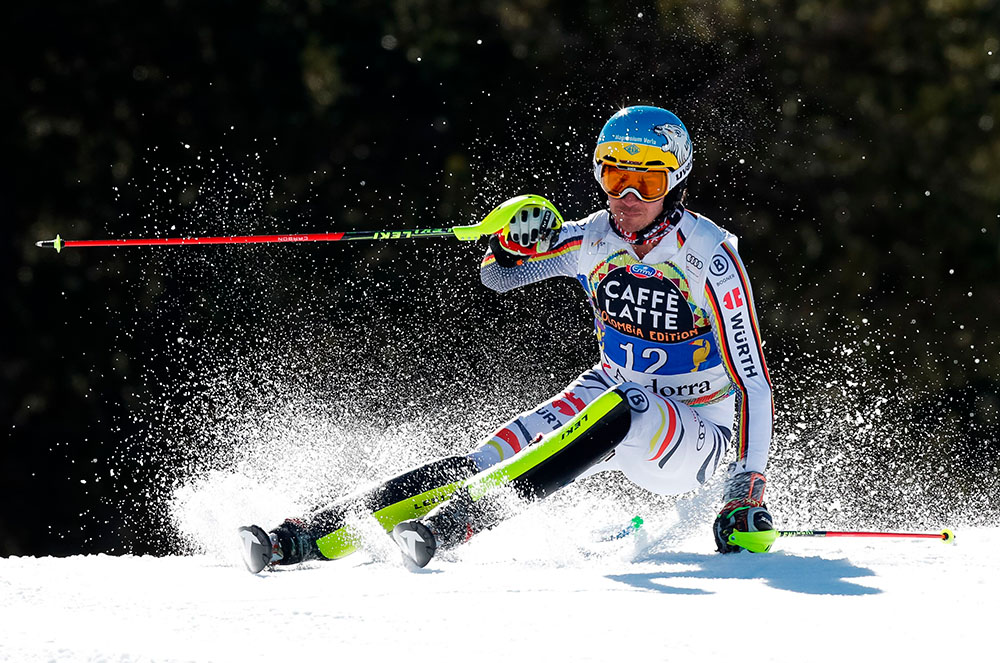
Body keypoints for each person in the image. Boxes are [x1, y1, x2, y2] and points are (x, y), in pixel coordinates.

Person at [239, 105, 775, 572]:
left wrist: (744, 486)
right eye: (616, 179)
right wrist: (512, 236)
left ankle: (456, 526)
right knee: (491, 454)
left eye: (649, 183)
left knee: (629, 404)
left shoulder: (709, 255)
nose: (629, 197)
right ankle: (306, 537)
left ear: (675, 183)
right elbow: (499, 273)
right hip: (608, 391)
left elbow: (752, 381)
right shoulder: (592, 237)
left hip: (696, 428)